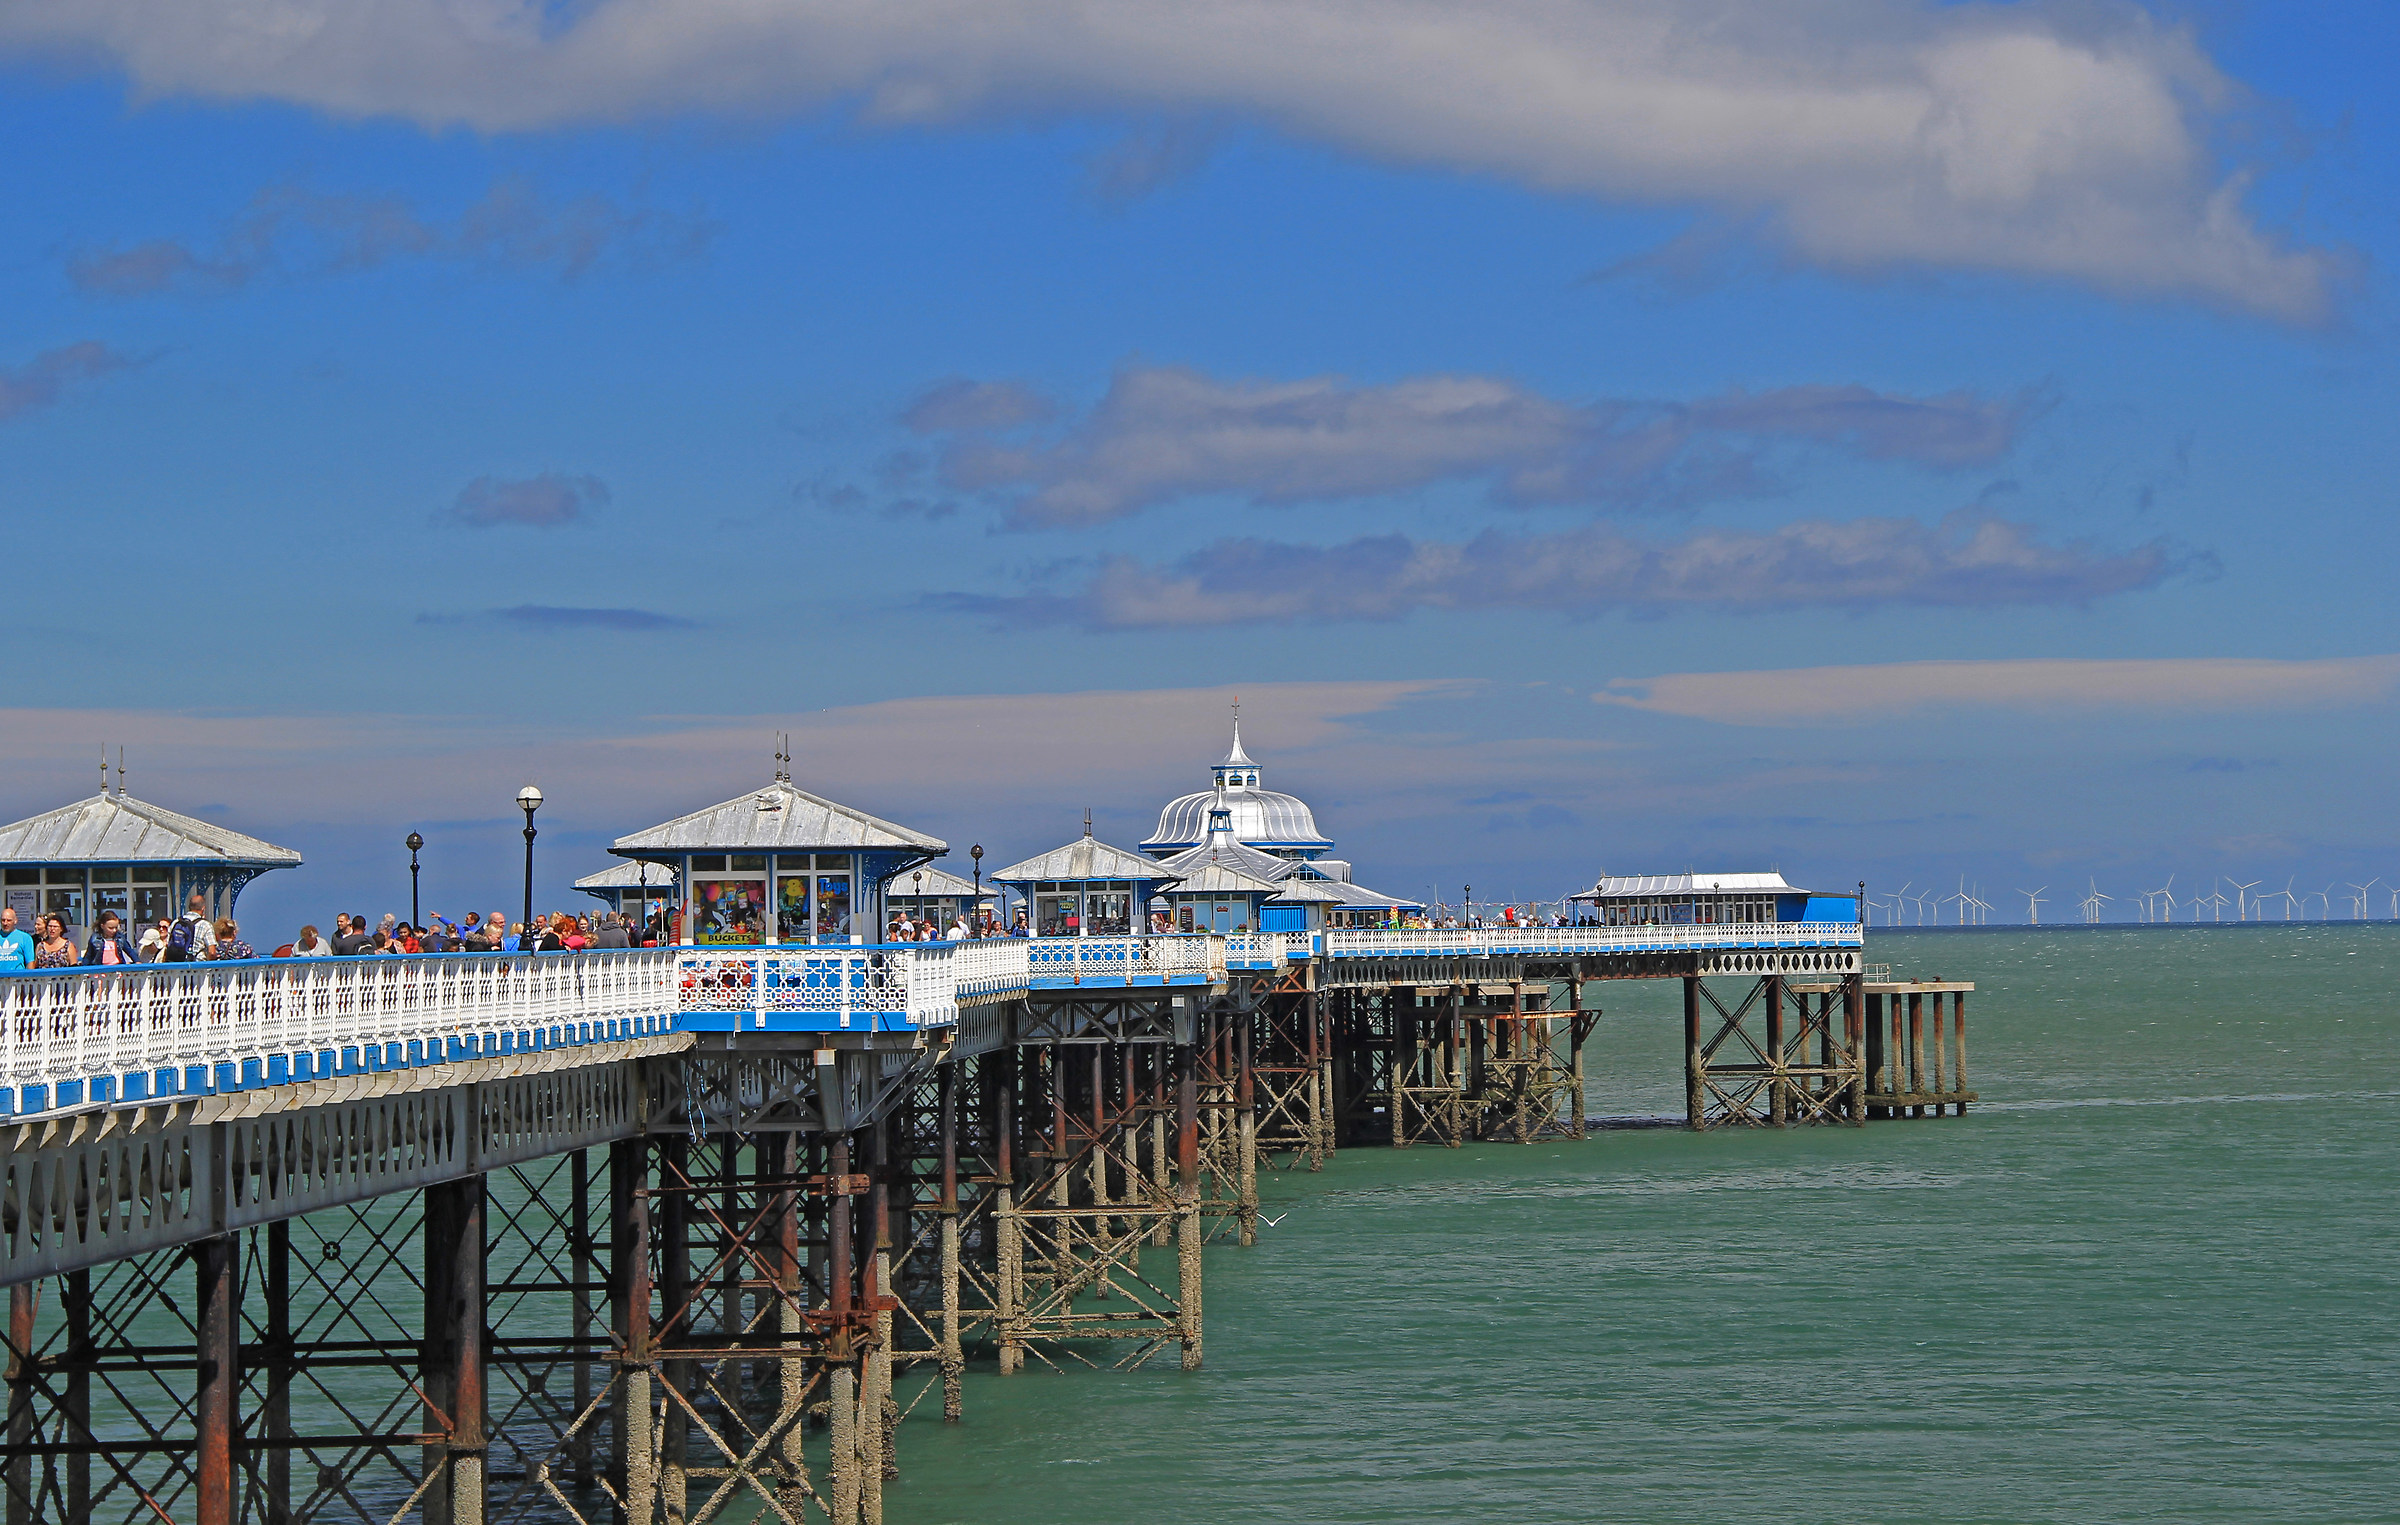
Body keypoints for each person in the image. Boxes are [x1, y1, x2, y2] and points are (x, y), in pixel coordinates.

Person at [166, 893, 216, 961]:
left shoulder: (176, 922)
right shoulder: (205, 925)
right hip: (197, 966)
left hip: (177, 965)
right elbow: (212, 952)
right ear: (203, 908)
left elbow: (167, 943)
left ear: (189, 907)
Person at [0, 908, 35, 973]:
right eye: (3, 920)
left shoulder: (25, 938)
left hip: (17, 980)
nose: (5, 923)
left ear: (15, 921)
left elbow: (30, 963)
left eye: (9, 920)